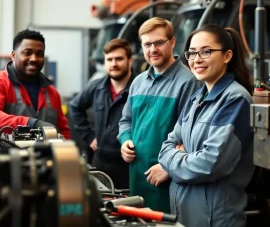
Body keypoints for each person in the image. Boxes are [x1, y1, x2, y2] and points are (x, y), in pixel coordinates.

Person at [158, 24, 254, 227]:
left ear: (227, 56)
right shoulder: (196, 98)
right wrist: (185, 157)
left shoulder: (235, 99)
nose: (196, 59)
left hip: (214, 218)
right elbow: (166, 146)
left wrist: (174, 162)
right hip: (184, 215)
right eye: (192, 53)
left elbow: (211, 163)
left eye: (206, 52)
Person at [118, 17, 201, 212]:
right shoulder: (138, 82)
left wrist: (169, 168)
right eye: (147, 44)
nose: (153, 49)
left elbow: (192, 137)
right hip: (136, 178)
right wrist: (125, 140)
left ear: (172, 42)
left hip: (167, 181)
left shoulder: (188, 82)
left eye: (159, 42)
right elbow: (126, 120)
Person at [69, 39, 134, 189]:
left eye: (119, 59)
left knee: (130, 207)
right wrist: (89, 136)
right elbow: (75, 107)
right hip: (100, 161)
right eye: (109, 59)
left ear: (130, 60)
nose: (114, 64)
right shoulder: (96, 87)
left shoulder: (140, 88)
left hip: (129, 163)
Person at [0, 29, 70, 138]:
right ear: (13, 55)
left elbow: (63, 131)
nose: (34, 59)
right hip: (6, 154)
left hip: (44, 154)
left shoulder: (52, 92)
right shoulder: (2, 82)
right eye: (27, 53)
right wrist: (31, 123)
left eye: (39, 54)